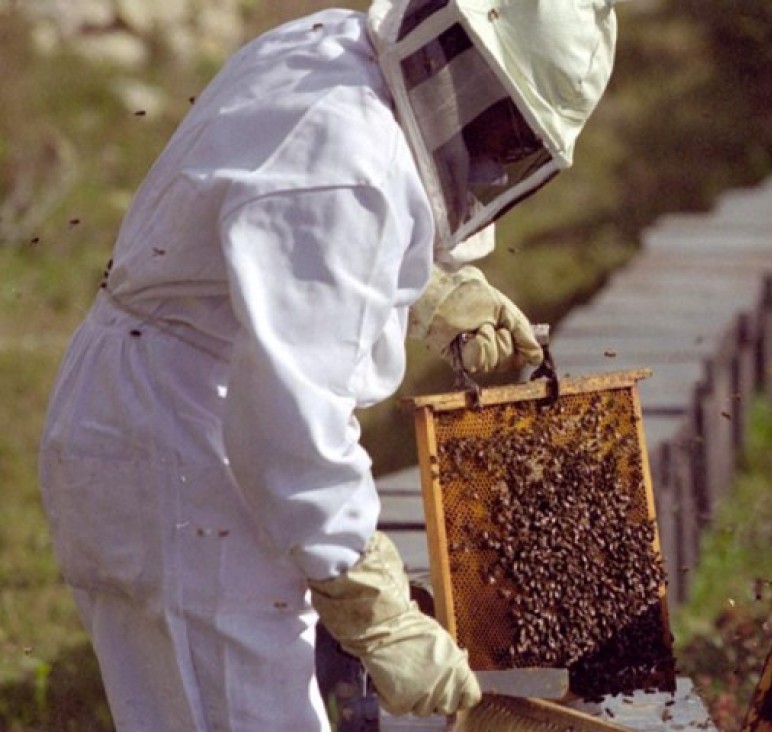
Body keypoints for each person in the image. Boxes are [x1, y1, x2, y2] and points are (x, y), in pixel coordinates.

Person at [37, 0, 618, 729]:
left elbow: (259, 227)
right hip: (186, 447)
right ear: (469, 71)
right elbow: (293, 427)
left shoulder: (324, 48)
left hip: (149, 406)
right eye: (508, 131)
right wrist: (378, 611)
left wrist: (429, 287)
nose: (500, 162)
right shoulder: (352, 171)